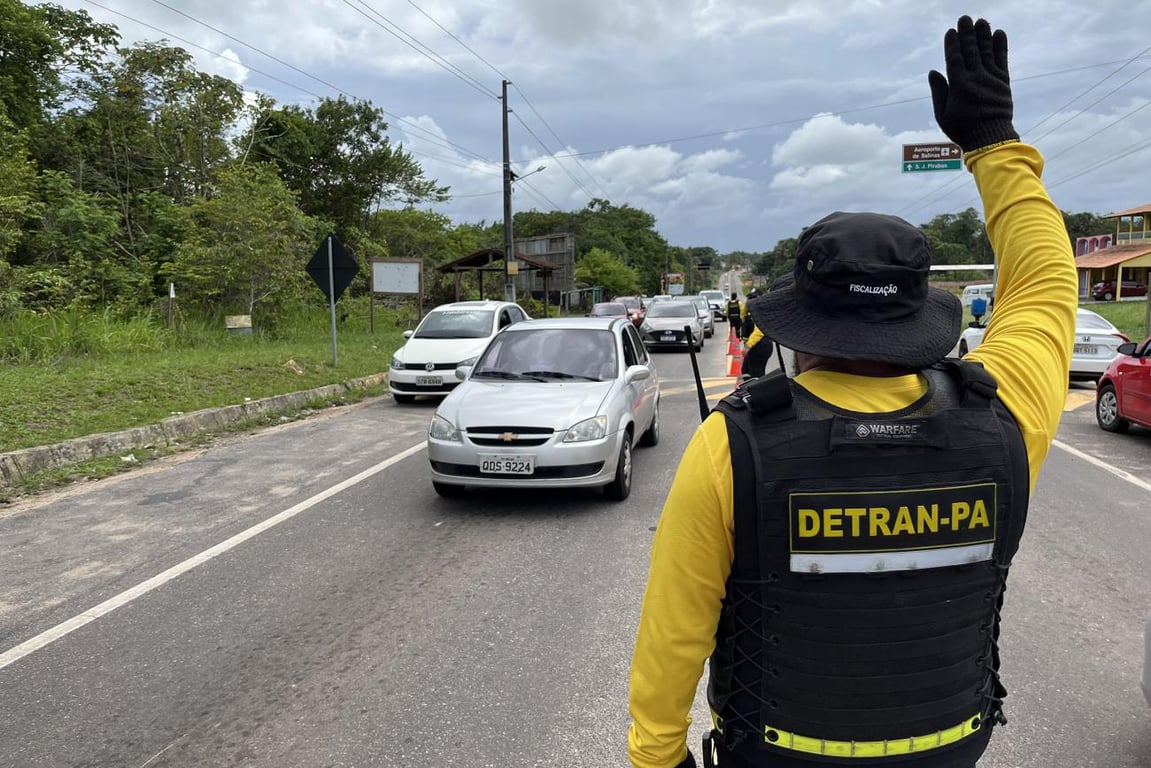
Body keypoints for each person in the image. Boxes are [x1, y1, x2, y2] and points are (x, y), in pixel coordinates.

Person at [627, 15, 1077, 768]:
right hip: (948, 746)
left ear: (798, 329)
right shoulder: (1005, 413)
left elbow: (676, 632)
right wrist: (992, 144)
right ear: (922, 320)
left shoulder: (734, 444)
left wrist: (656, 758)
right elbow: (1045, 281)